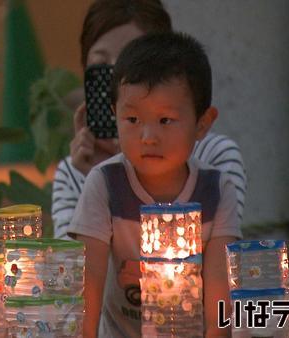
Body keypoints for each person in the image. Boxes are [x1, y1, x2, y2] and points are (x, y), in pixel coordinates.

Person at [67, 32, 242, 338]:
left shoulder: (216, 189)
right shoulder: (106, 183)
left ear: (202, 123)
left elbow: (220, 300)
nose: (148, 136)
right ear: (114, 116)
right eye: (132, 120)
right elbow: (88, 281)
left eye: (165, 121)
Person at [52, 0, 246, 240]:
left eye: (130, 60)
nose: (117, 76)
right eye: (101, 64)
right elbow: (74, 269)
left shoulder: (214, 157)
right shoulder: (73, 171)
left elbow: (210, 256)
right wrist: (100, 178)